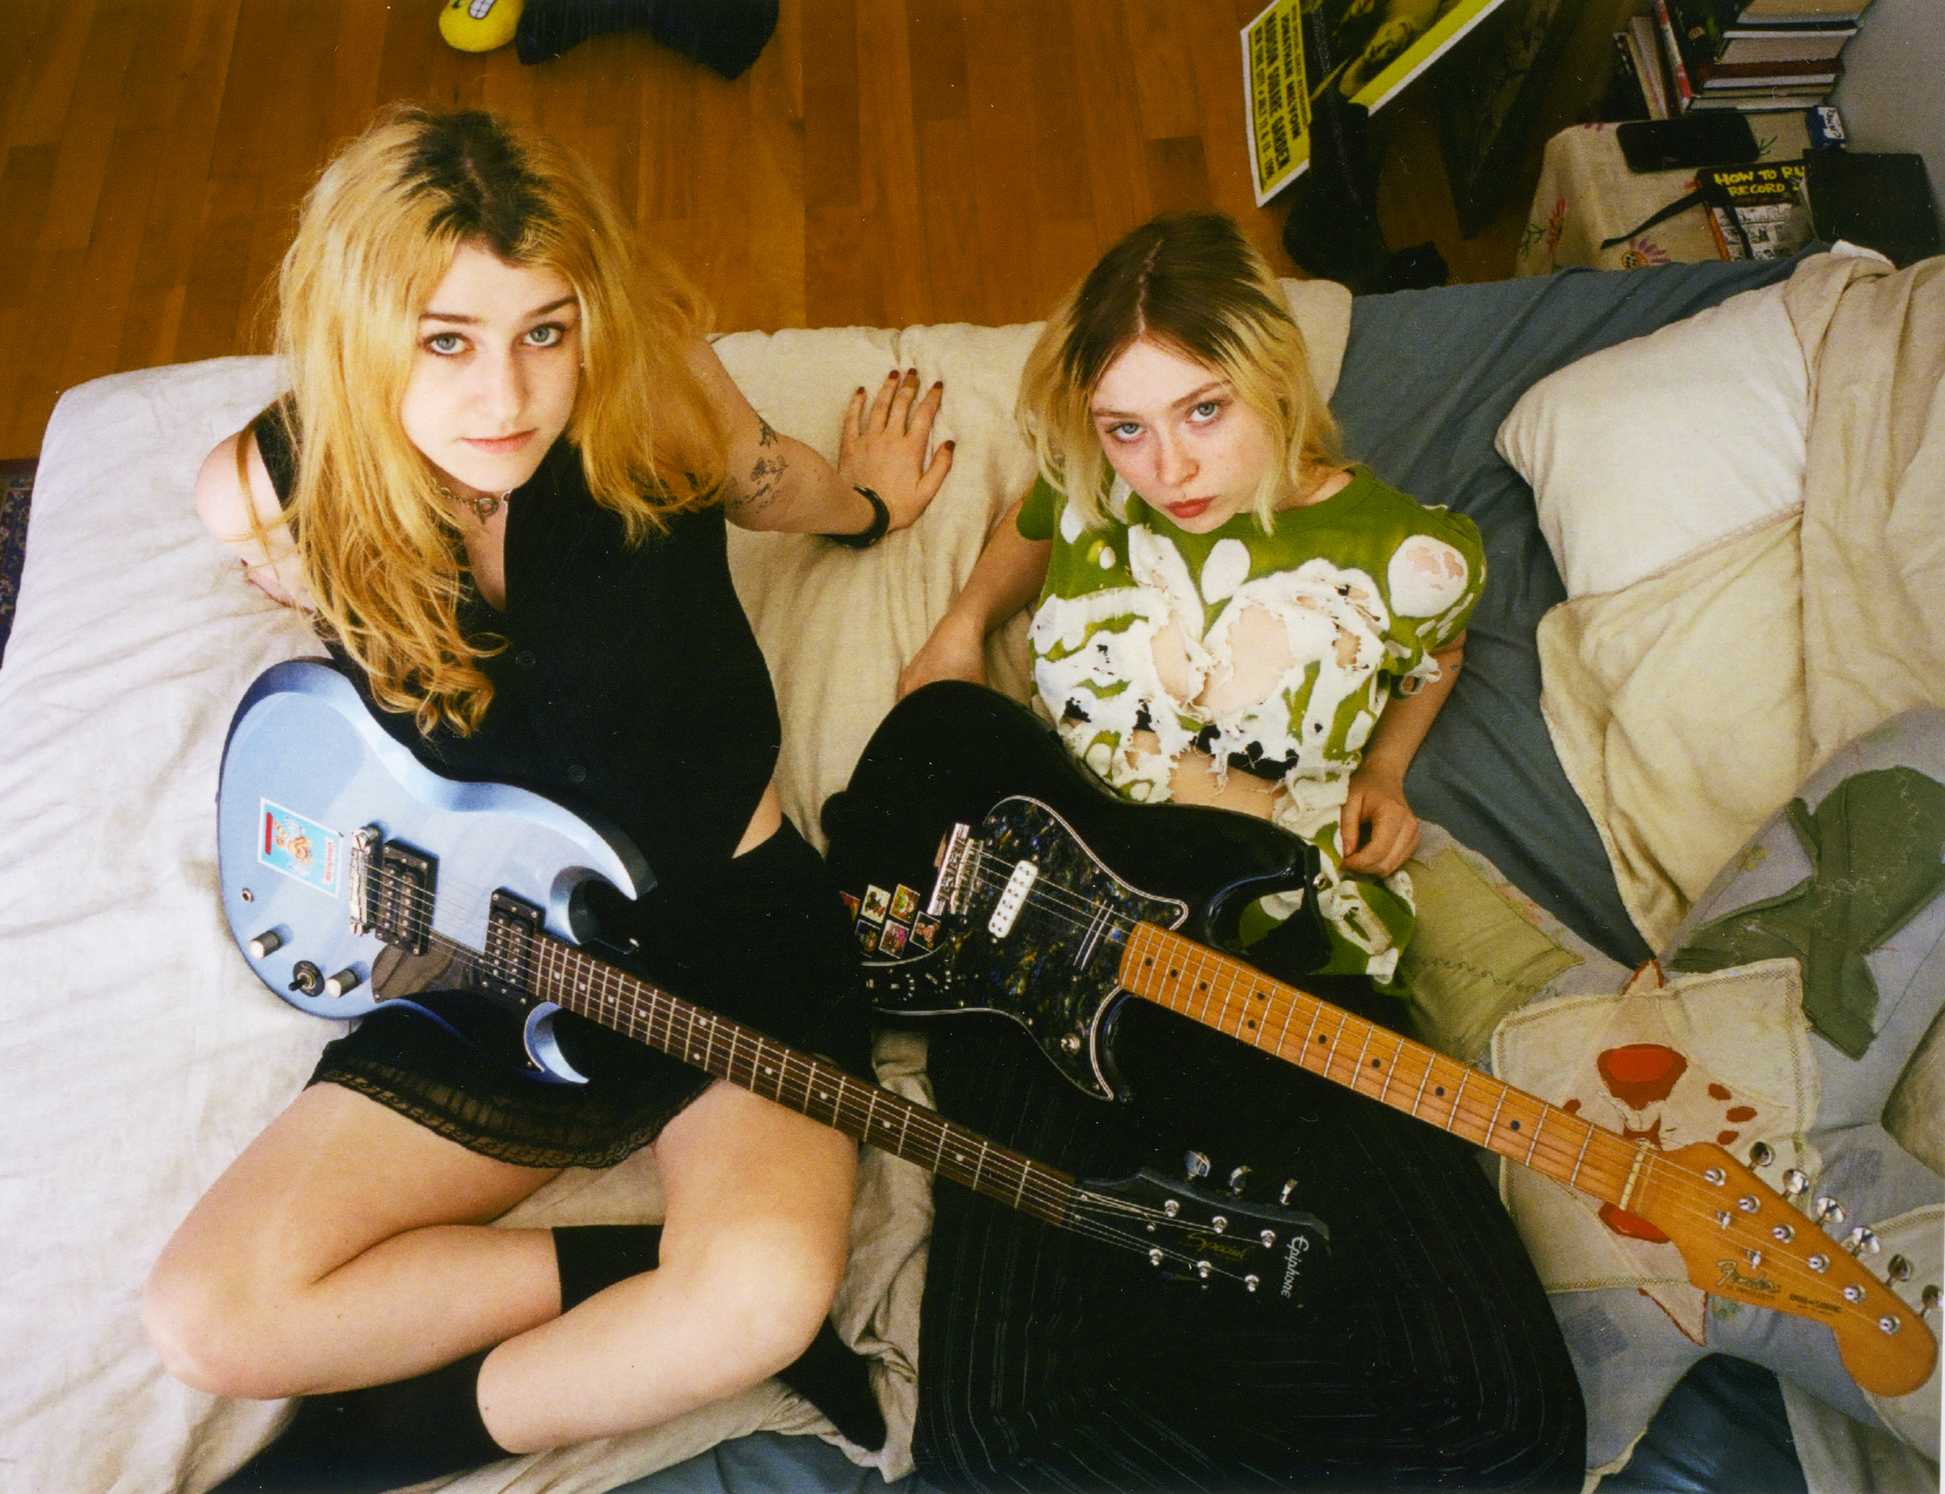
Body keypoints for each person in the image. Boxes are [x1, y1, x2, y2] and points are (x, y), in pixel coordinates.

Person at [143, 104, 952, 1491]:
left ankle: (372, 1454)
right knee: (209, 1317)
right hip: (493, 947)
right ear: (358, 332)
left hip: (730, 934)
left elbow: (768, 482)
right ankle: (624, 1268)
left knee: (759, 1301)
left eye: (546, 331)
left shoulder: (652, 393)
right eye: (444, 340)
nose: (506, 397)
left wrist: (867, 508)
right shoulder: (270, 489)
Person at [895, 211, 1586, 1490]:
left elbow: (1433, 655)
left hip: (1287, 965)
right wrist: (959, 626)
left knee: (1508, 1436)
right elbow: (1033, 519)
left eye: (1203, 411)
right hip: (1040, 963)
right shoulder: (1091, 484)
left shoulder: (1413, 554)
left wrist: (1384, 768)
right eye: (1126, 426)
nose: (1166, 465)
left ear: (1273, 376)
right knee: (990, 1443)